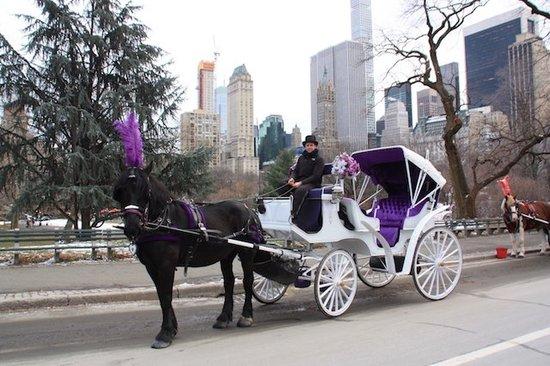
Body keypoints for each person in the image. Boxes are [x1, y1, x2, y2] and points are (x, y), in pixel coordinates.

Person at [288, 135, 325, 220]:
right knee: (282, 183)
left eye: (311, 145)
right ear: (305, 147)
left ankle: (294, 214)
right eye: (307, 145)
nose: (309, 147)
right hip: (299, 180)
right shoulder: (301, 158)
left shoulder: (319, 159)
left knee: (300, 190)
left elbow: (316, 176)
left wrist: (300, 183)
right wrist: (292, 178)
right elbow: (296, 171)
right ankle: (284, 208)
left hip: (312, 183)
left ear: (315, 146)